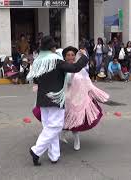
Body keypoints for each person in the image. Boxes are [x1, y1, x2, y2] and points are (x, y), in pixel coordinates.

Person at [33, 46, 109, 152]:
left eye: (72, 55)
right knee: (60, 121)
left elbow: (87, 83)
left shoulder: (80, 69)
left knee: (76, 123)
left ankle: (76, 140)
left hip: (77, 99)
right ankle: (60, 136)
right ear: (64, 57)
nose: (70, 57)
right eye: (68, 55)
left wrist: (94, 94)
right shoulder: (62, 67)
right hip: (64, 98)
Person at [27, 36, 88, 166]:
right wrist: (84, 56)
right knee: (55, 127)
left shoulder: (38, 61)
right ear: (52, 47)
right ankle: (36, 150)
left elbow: (35, 80)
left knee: (49, 127)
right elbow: (75, 68)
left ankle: (54, 155)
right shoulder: (56, 61)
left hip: (42, 99)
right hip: (55, 99)